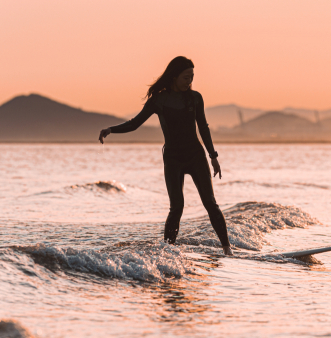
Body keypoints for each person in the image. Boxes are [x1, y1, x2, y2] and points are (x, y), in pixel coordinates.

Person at [98, 56, 233, 255]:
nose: (190, 81)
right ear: (174, 76)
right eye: (186, 77)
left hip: (196, 156)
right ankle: (168, 252)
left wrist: (213, 156)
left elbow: (203, 127)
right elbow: (135, 123)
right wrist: (111, 129)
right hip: (173, 159)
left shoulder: (195, 98)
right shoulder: (159, 100)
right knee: (177, 206)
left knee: (210, 203)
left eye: (192, 77)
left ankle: (227, 249)